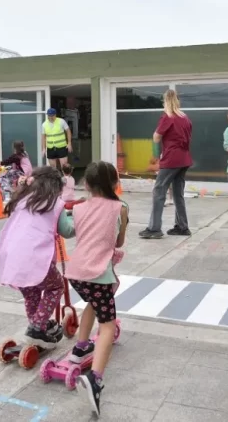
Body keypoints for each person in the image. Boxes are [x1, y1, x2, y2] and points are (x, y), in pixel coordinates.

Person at [65, 161, 128, 417]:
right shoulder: (120, 207)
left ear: (87, 185)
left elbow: (70, 231)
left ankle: (81, 347)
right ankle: (95, 379)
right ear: (115, 184)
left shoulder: (79, 208)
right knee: (108, 325)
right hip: (98, 274)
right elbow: (119, 240)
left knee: (94, 301)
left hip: (76, 274)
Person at [0, 166, 73, 347]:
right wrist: (79, 221)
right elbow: (67, 230)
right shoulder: (54, 203)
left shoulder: (22, 199)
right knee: (56, 286)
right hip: (34, 257)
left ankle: (39, 325)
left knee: (31, 294)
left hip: (11, 256)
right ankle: (37, 328)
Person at [139, 89, 192, 239]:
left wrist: (157, 149)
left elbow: (156, 137)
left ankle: (154, 229)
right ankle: (182, 227)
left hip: (171, 159)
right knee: (177, 193)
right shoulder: (185, 117)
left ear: (165, 101)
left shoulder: (168, 117)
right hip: (184, 159)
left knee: (158, 191)